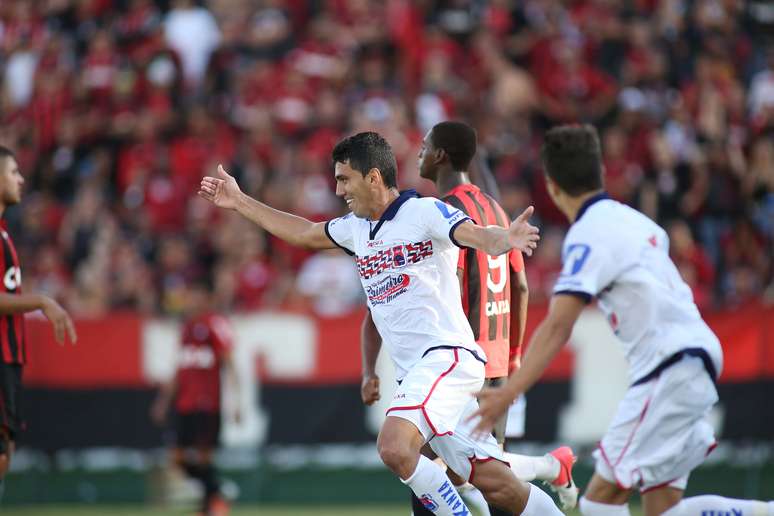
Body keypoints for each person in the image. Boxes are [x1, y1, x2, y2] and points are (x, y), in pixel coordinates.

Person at [199, 131, 562, 515]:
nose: (338, 190)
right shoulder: (356, 230)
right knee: (496, 483)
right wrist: (239, 202)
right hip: (420, 373)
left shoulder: (423, 212)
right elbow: (304, 232)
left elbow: (474, 234)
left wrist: (504, 237)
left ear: (373, 177)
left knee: (394, 445)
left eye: (344, 179)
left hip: (447, 360)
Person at [471, 125, 774, 516]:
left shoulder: (587, 234)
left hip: (669, 366)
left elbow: (558, 325)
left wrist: (508, 393)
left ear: (553, 186)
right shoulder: (636, 220)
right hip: (695, 355)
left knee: (598, 502)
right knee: (662, 509)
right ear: (599, 173)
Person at [360, 121, 577, 516]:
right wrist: (512, 357)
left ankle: (550, 466)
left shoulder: (445, 211)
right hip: (494, 359)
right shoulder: (494, 207)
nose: (419, 153)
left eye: (424, 147)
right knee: (486, 474)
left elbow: (445, 281)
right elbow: (521, 285)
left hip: (455, 359)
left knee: (429, 465)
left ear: (440, 155)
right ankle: (551, 467)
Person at [0, 146, 77, 500]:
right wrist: (42, 302)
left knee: (5, 452)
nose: (21, 179)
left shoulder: (4, 233)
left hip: (10, 360)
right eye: (13, 172)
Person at [151, 278, 241, 516]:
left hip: (207, 402)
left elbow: (229, 362)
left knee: (203, 457)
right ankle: (219, 491)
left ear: (208, 299)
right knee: (176, 457)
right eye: (191, 296)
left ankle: (208, 507)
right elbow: (179, 368)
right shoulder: (187, 327)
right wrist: (163, 401)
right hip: (184, 403)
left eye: (198, 296)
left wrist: (237, 401)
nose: (193, 301)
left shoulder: (216, 323)